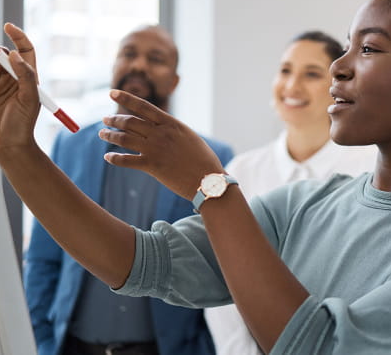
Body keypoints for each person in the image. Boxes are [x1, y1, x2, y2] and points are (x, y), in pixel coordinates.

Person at [0, 0, 391, 354]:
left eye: (370, 49)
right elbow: (143, 263)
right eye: (348, 47)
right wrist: (16, 150)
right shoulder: (304, 205)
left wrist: (210, 186)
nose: (338, 67)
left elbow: (319, 347)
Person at [22, 25, 233, 355]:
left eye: (156, 58)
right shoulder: (71, 144)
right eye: (129, 54)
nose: (138, 65)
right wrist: (41, 341)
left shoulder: (214, 156)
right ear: (114, 67)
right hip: (72, 346)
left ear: (174, 81)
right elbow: (43, 256)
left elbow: (222, 266)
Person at [204, 31, 377, 355]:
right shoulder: (241, 171)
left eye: (311, 74)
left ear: (338, 84)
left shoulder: (371, 171)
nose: (292, 85)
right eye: (285, 70)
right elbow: (221, 278)